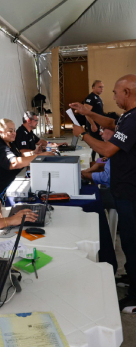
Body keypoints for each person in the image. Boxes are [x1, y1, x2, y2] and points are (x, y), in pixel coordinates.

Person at [71, 74, 136, 311]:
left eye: (116, 92)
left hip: (131, 192)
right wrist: (86, 113)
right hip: (124, 189)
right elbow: (109, 124)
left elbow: (107, 147)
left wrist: (82, 134)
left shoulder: (134, 119)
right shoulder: (127, 116)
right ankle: (131, 277)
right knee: (129, 240)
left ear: (127, 93)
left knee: (131, 240)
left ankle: (135, 297)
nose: (113, 96)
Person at [0, 118, 52, 198]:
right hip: (0, 189)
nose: (14, 133)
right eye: (10, 131)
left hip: (13, 181)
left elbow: (19, 156)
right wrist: (39, 156)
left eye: (14, 130)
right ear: (0, 132)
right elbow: (14, 163)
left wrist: (33, 153)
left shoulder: (9, 143)